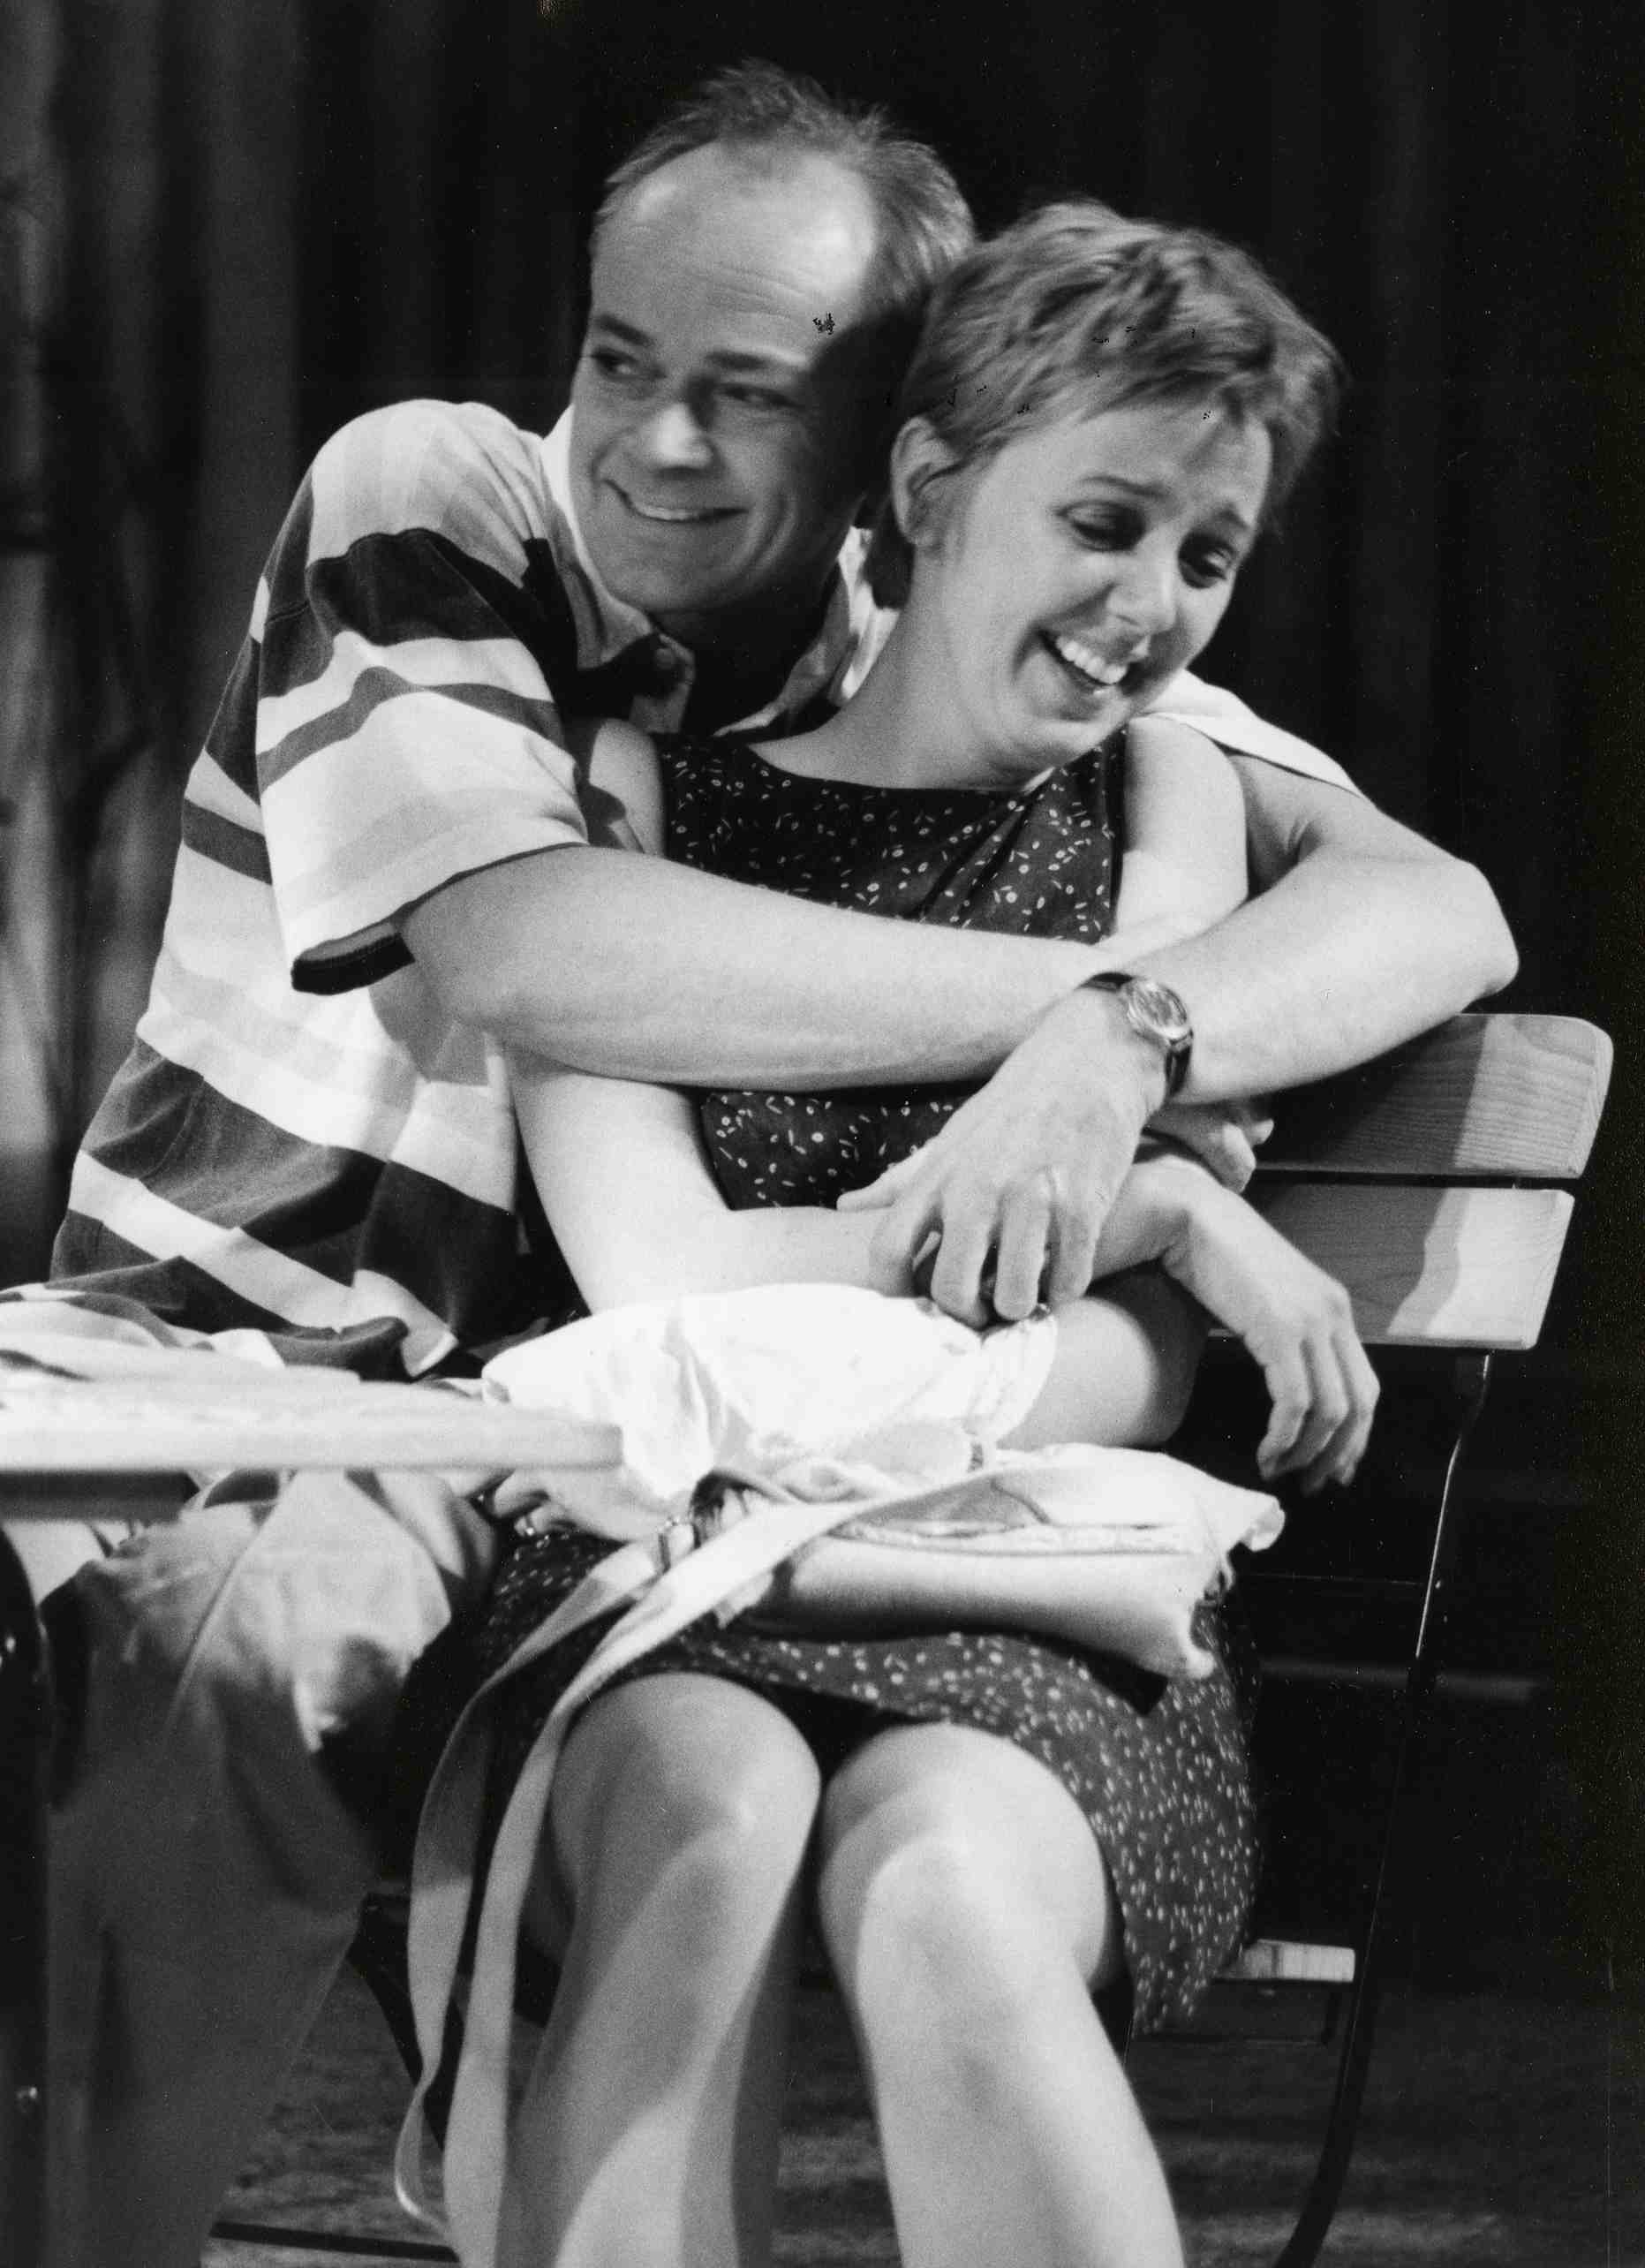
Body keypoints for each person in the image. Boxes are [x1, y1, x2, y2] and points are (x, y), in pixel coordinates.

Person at [14, 61, 1514, 2268]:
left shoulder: (998, 668)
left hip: (640, 1475)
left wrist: (1134, 1036)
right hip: (267, 1363)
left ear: (888, 442)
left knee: (830, 1832)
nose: (654, 443)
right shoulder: (444, 499)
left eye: (744, 392)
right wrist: (1110, 1076)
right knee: (300, 1649)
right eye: (619, 359)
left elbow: (1427, 902)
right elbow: (526, 947)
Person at [396, 198, 1375, 2268]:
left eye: (1204, 553)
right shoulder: (647, 800)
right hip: (660, 1560)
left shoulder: (1169, 808)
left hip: (1034, 1589)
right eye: (1100, 521)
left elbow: (1135, 1364)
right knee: (709, 1809)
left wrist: (1135, 1206)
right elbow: (663, 1284)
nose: (1148, 607)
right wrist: (1159, 1209)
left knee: (941, 1877)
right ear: (925, 486)